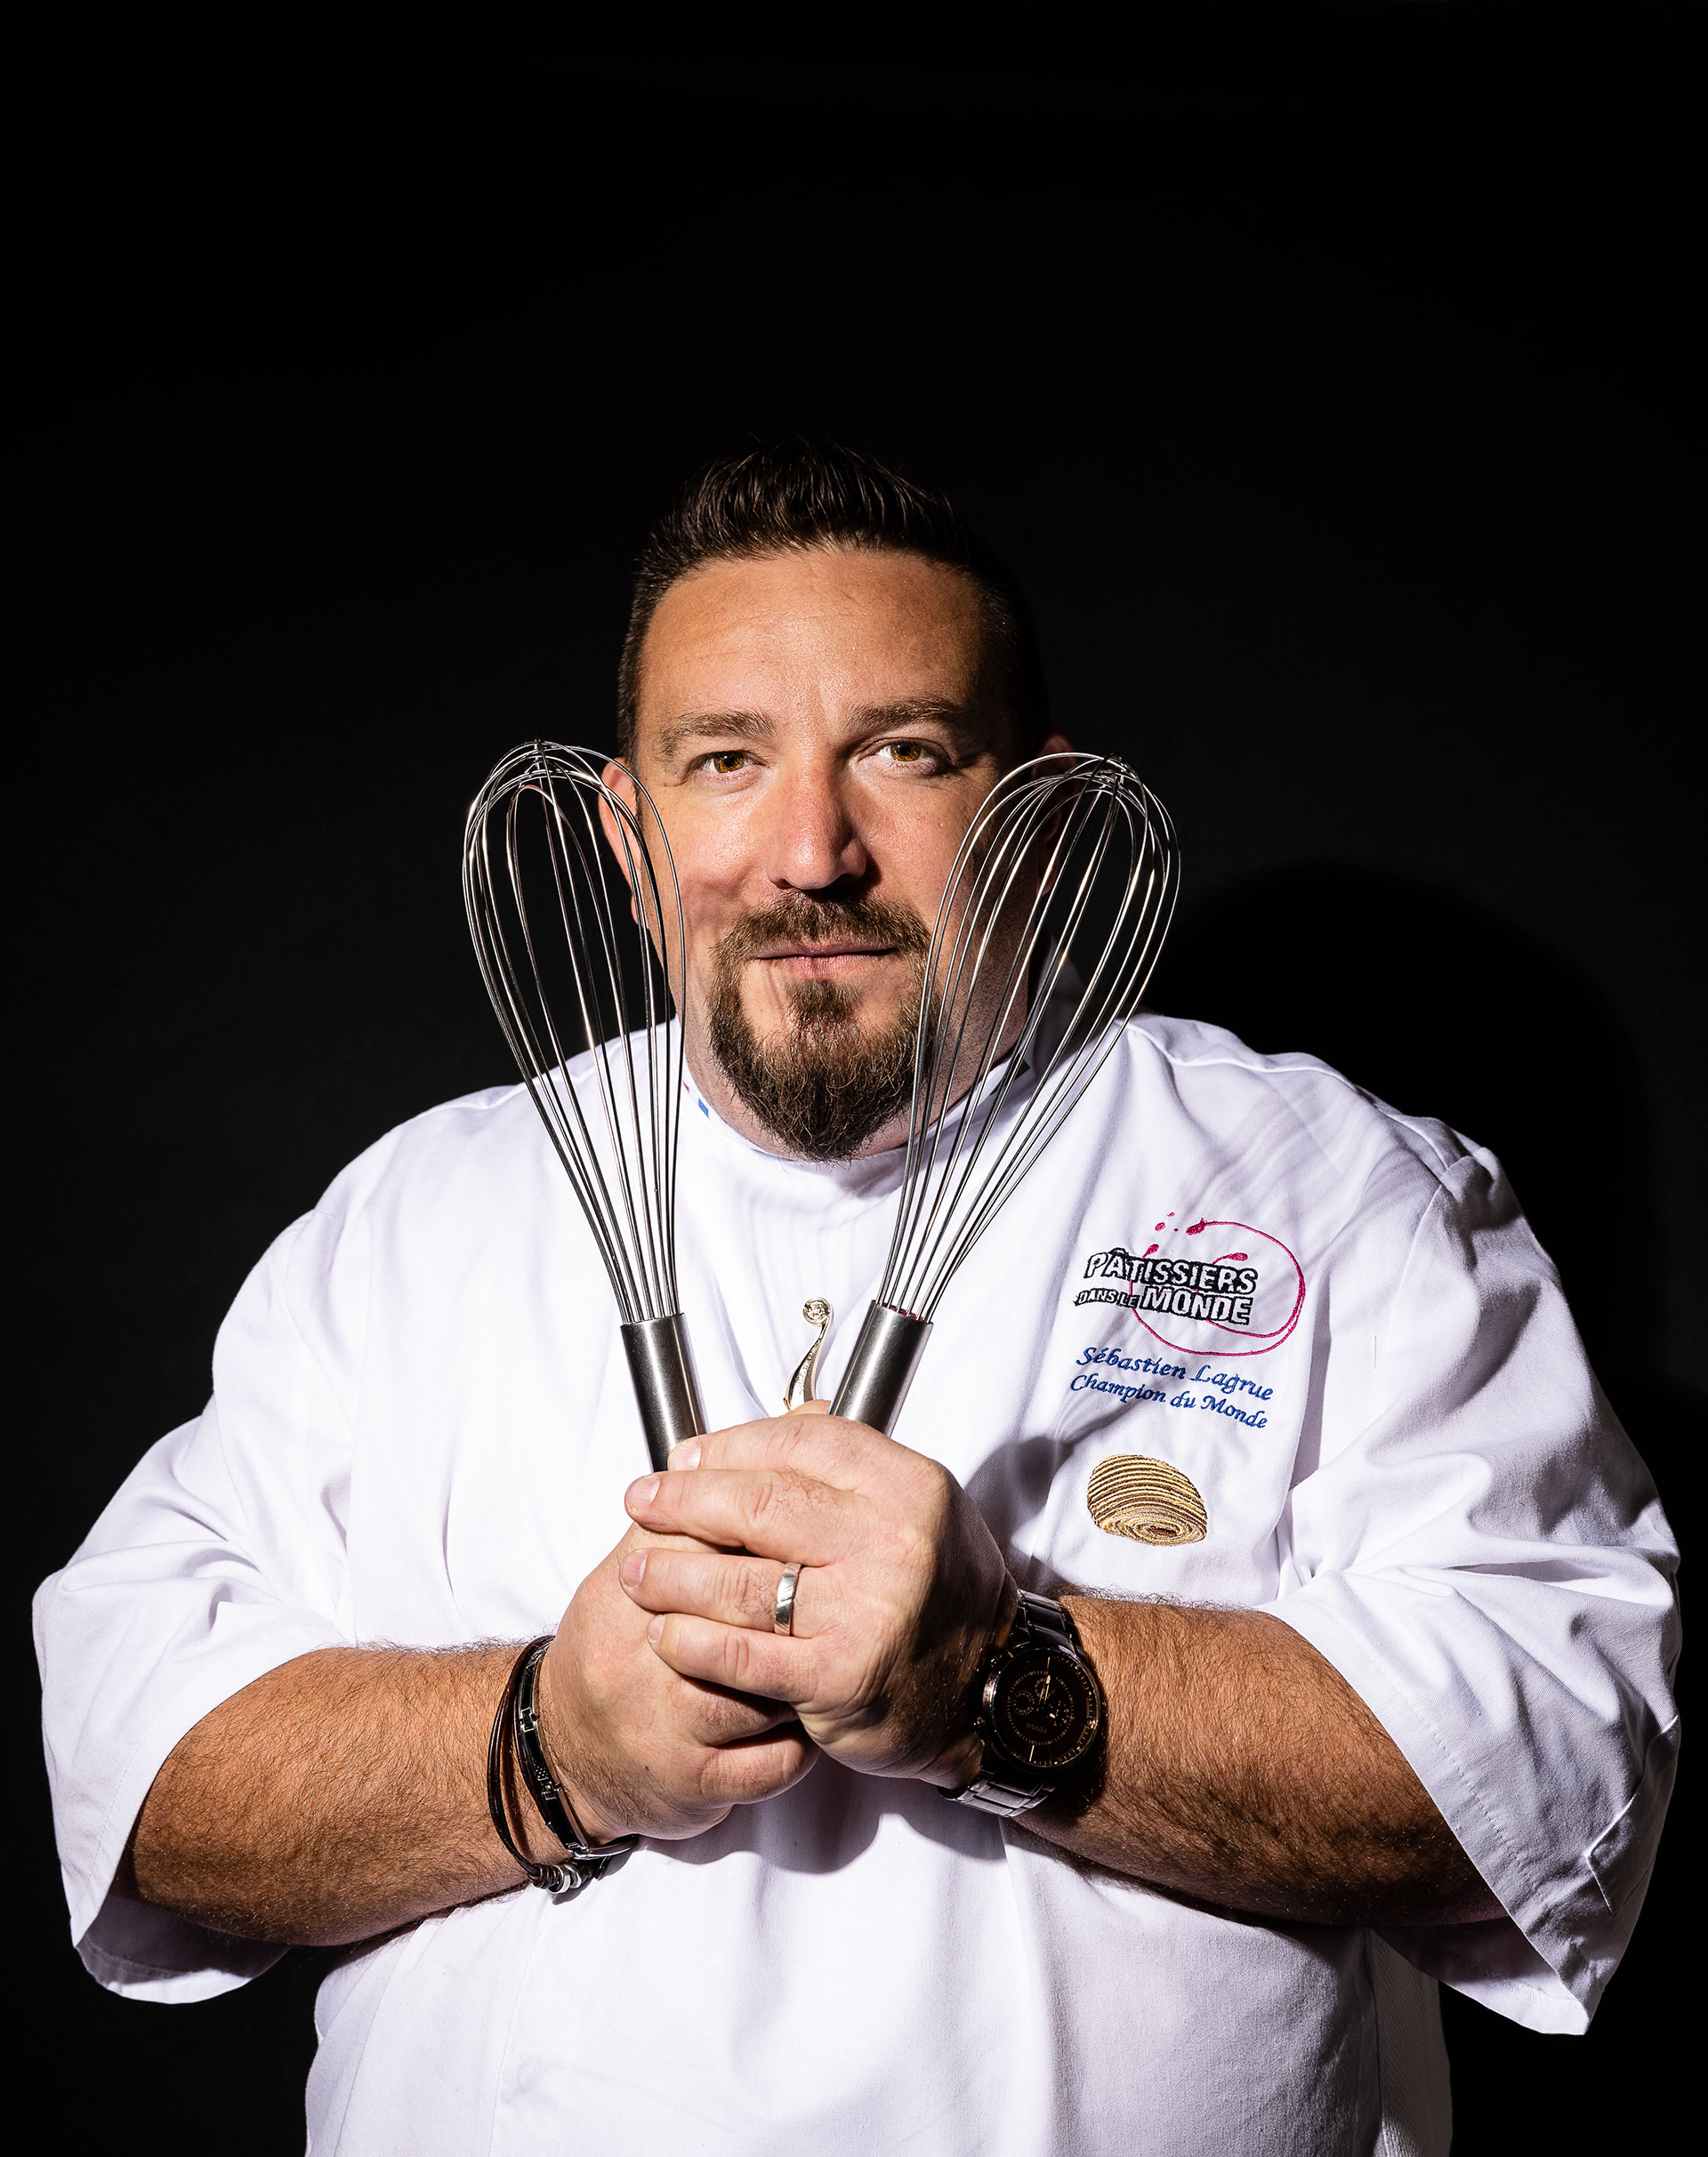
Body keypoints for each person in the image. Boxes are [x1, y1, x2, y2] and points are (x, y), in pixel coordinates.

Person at [35, 443, 1679, 2156]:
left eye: (904, 751)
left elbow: (1563, 1760)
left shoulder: (1335, 1190)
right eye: (725, 761)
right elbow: (145, 1779)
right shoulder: (410, 1223)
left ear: (1044, 815)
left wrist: (1000, 1681)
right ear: (627, 837)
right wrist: (549, 1743)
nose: (810, 850)